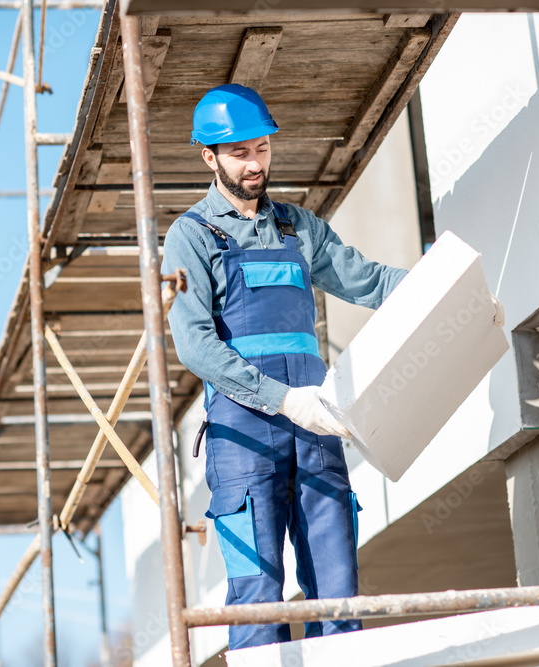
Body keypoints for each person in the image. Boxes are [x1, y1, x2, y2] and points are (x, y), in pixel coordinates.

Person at [161, 83, 407, 650]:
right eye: (240, 153)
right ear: (210, 156)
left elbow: (365, 280)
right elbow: (195, 346)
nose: (255, 164)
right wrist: (280, 397)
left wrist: (443, 278)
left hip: (316, 427)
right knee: (258, 592)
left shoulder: (298, 226)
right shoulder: (192, 237)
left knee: (338, 588)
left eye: (263, 149)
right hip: (245, 438)